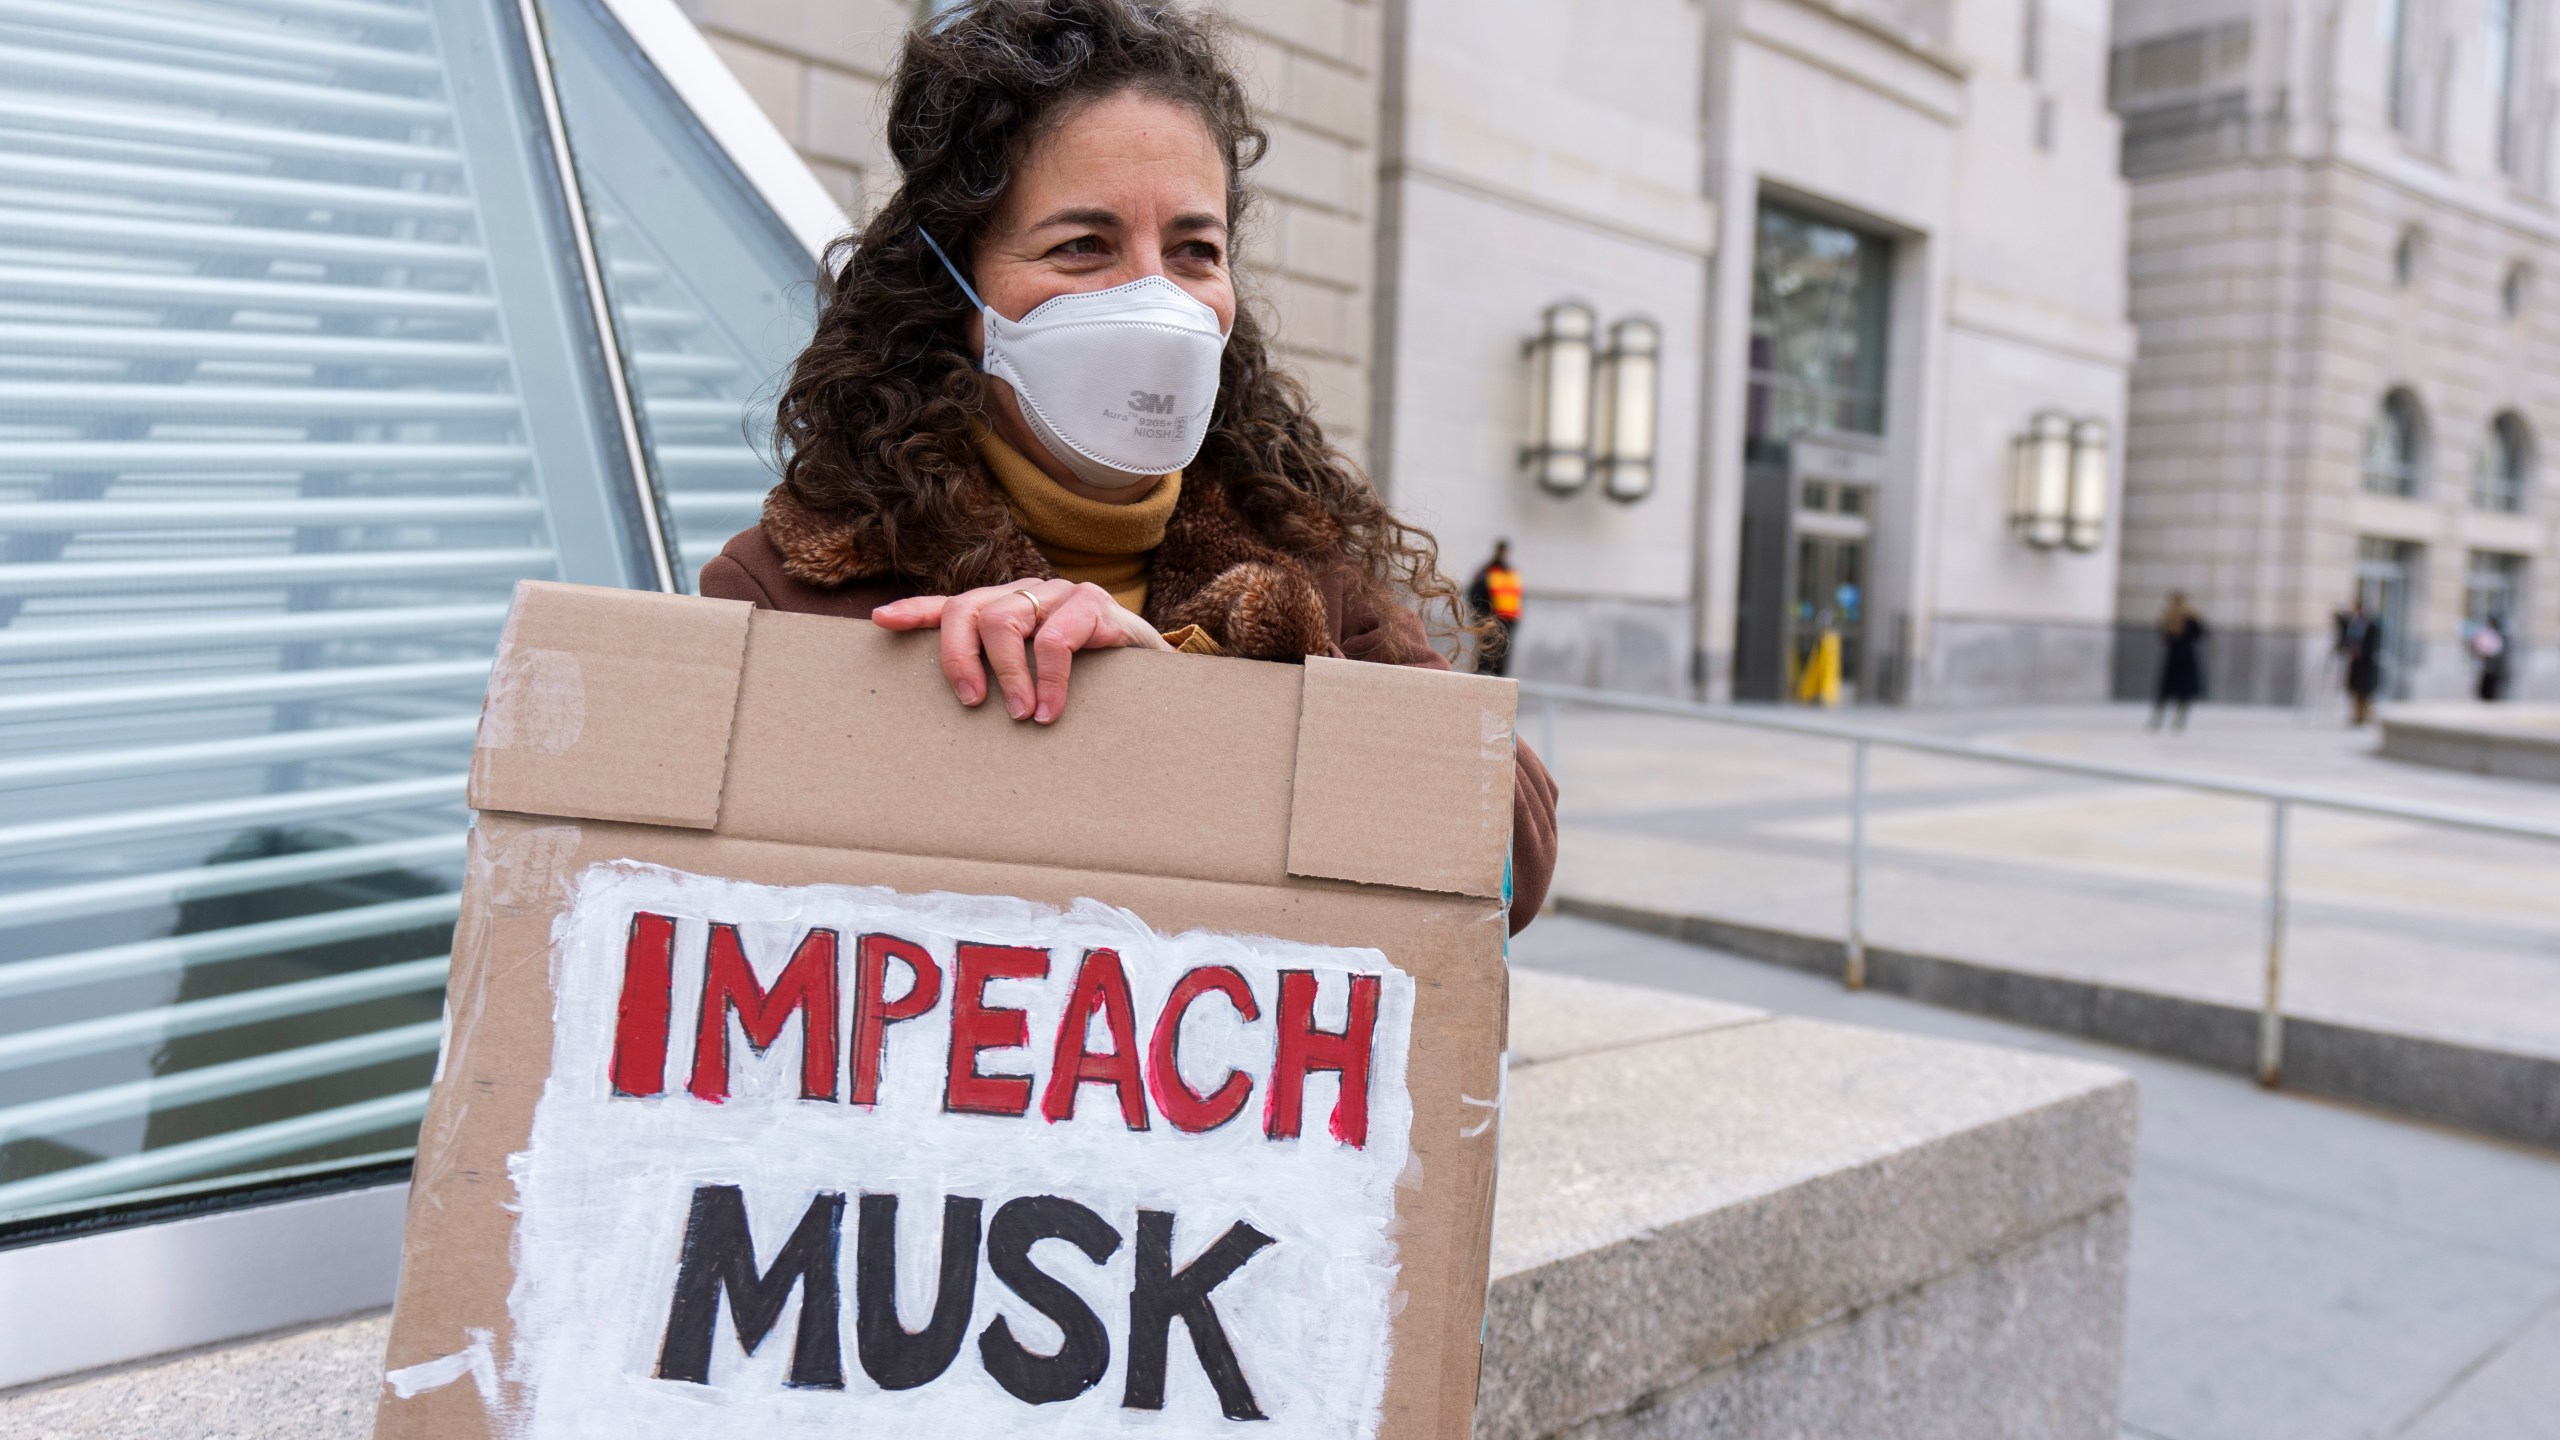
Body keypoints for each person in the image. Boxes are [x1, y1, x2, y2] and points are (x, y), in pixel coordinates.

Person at [697, 0, 1557, 931]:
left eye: (1194, 250)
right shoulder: (797, 586)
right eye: (1083, 247)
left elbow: (1510, 865)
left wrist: (1203, 689)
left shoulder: (1302, 562)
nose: (1154, 296)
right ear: (958, 292)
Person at [2150, 592, 2206, 732]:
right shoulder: (2189, 618)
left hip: (2174, 656)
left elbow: (2164, 637)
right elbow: (2200, 634)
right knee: (2183, 689)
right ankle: (2178, 719)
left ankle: (2159, 717)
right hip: (2186, 656)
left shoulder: (2169, 618)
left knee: (2168, 689)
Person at [1463, 540, 1521, 676]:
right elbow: (1475, 596)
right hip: (1489, 621)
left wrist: (1516, 622)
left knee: (1502, 658)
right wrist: (1480, 618)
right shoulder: (1486, 572)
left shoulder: (1511, 573)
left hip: (1508, 622)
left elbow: (1517, 598)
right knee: (1486, 656)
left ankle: (1499, 686)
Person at [2336, 598, 2384, 726]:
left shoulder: (2371, 625)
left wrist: (2360, 651)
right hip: (2357, 664)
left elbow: (2373, 645)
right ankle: (2357, 715)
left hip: (2366, 664)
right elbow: (2345, 634)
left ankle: (2366, 715)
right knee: (2356, 691)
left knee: (2365, 692)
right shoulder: (2354, 624)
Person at [2471, 612, 2511, 702]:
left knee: (2493, 683)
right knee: (2487, 682)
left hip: (2496, 663)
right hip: (2488, 662)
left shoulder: (2500, 634)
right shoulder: (2488, 632)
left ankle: (2491, 697)